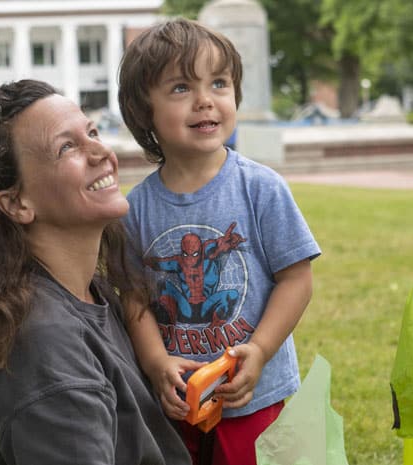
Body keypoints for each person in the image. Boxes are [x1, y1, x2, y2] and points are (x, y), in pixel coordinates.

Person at [0, 79, 191, 465]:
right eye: (67, 147)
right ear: (16, 202)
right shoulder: (46, 348)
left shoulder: (85, 291)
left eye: (92, 132)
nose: (101, 152)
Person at [118, 18, 321, 465]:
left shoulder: (260, 188)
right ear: (142, 110)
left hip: (252, 392)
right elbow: (134, 298)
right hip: (177, 398)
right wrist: (155, 364)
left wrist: (262, 349)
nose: (205, 100)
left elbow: (297, 279)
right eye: (180, 88)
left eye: (219, 83)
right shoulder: (136, 209)